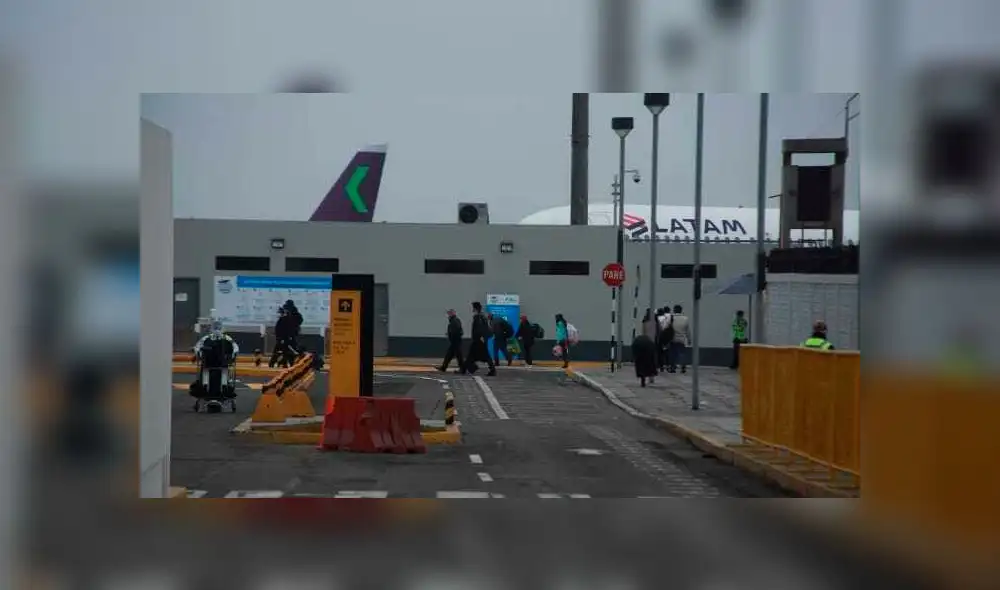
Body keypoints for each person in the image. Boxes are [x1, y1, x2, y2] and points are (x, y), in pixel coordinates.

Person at [462, 301, 496, 376]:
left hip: (478, 340)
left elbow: (480, 329)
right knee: (472, 356)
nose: (472, 310)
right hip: (479, 339)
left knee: (485, 356)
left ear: (476, 309)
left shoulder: (479, 317)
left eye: (473, 308)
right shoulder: (481, 316)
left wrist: (480, 337)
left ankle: (491, 370)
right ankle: (465, 369)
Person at [666, 304, 691, 374]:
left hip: (672, 338)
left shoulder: (671, 318)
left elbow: (667, 329)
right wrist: (689, 339)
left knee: (672, 354)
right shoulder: (685, 319)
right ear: (681, 310)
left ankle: (672, 368)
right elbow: (687, 331)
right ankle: (683, 366)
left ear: (674, 310)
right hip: (681, 339)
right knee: (682, 353)